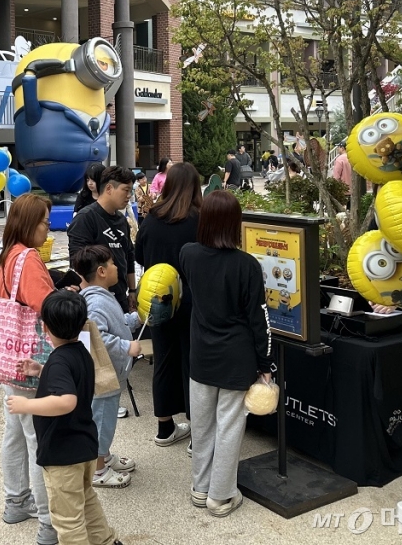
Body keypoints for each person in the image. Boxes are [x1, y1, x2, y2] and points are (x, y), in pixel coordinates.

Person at [179, 191, 272, 517]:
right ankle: (221, 496)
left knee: (202, 426)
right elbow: (259, 320)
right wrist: (265, 364)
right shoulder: (248, 266)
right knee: (229, 426)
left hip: (201, 356)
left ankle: (200, 488)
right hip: (237, 358)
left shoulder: (188, 254)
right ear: (235, 223)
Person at [7, 291, 124, 545]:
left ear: (45, 326)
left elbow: (66, 400)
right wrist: (41, 370)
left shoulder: (59, 361)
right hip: (83, 447)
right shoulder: (80, 351)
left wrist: (27, 404)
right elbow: (70, 382)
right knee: (86, 499)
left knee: (67, 521)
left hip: (63, 454)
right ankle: (105, 541)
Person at [0, 194, 57, 545]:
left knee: (15, 433)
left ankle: (15, 501)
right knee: (39, 439)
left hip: (9, 356)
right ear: (28, 222)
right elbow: (47, 308)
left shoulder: (9, 255)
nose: (48, 229)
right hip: (33, 359)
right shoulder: (30, 259)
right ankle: (48, 522)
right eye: (44, 222)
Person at [134, 162, 200, 452]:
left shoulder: (151, 220)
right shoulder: (199, 219)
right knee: (192, 363)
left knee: (163, 359)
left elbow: (139, 257)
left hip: (156, 300)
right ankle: (198, 433)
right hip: (191, 301)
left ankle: (165, 427)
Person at [74, 245, 141, 490]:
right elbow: (96, 336)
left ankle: (104, 455)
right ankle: (98, 469)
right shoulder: (95, 302)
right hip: (103, 377)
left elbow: (114, 323)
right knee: (101, 421)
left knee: (105, 419)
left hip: (109, 374)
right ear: (102, 271)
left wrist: (134, 320)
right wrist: (126, 347)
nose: (116, 267)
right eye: (113, 264)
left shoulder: (102, 295)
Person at [67, 166, 136, 313]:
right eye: (126, 190)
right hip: (96, 303)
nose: (129, 195)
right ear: (109, 188)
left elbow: (129, 256)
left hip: (120, 298)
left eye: (131, 191)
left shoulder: (122, 221)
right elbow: (77, 262)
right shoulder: (85, 218)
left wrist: (132, 290)